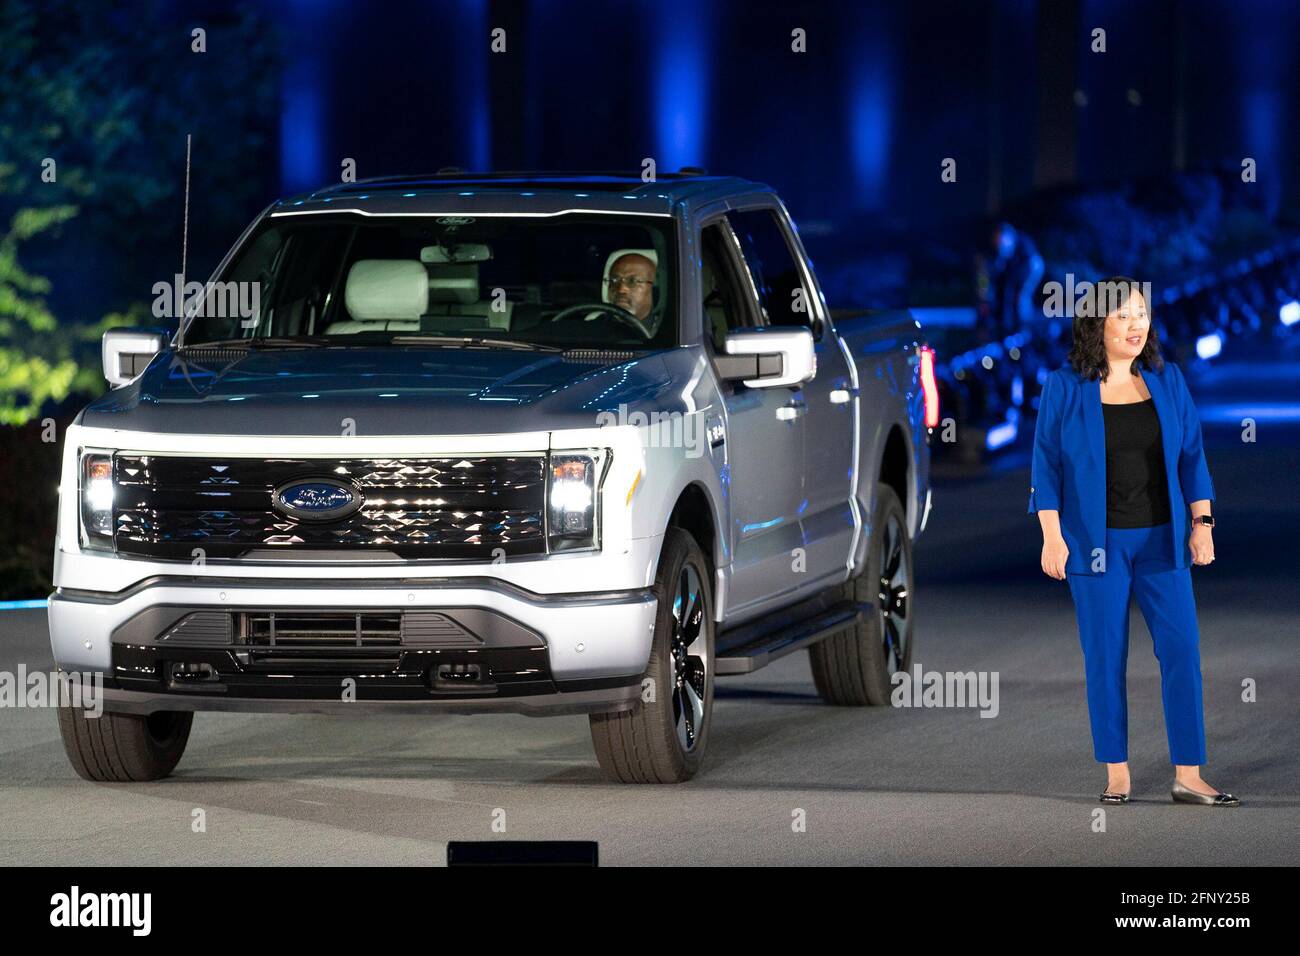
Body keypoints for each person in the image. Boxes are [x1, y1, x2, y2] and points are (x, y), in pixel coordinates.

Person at [1028, 276, 1239, 807]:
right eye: (1123, 315)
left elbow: (1193, 456)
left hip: (1162, 541)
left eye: (1141, 313)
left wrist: (1203, 524)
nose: (1136, 324)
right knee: (1105, 656)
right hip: (1094, 545)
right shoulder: (1065, 386)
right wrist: (1052, 537)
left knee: (1182, 651)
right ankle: (1117, 771)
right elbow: (1046, 468)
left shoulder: (1167, 380)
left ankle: (1188, 775)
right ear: (1096, 324)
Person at [604, 252, 658, 335]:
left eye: (632, 281)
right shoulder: (590, 330)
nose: (621, 289)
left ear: (654, 288)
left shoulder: (673, 334)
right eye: (614, 280)